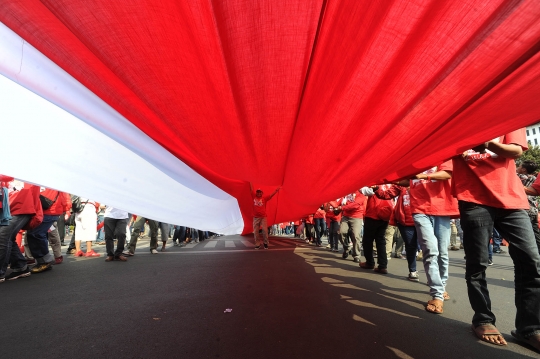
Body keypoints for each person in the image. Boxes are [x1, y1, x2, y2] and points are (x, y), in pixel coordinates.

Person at [452, 128, 540, 351]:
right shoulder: (456, 119)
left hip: (511, 200)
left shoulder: (506, 115)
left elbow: (515, 151)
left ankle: (529, 328)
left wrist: (488, 143)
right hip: (473, 199)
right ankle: (483, 319)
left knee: (531, 260)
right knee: (477, 263)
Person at [0, 176, 41, 281]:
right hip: (10, 208)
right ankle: (20, 266)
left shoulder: (23, 170)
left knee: (3, 237)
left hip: (21, 207)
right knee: (8, 238)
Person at [26, 187, 71, 273]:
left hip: (49, 211)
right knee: (36, 234)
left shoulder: (51, 181)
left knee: (38, 234)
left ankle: (46, 260)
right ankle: (44, 260)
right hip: (45, 211)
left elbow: (64, 197)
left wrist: (67, 210)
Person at [249, 183, 281, 249]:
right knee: (256, 231)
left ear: (262, 193)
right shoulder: (253, 196)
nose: (259, 193)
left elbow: (271, 195)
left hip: (263, 217)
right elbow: (251, 189)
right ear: (256, 193)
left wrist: (276, 190)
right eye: (257, 192)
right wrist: (250, 182)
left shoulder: (264, 198)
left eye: (260, 192)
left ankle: (265, 243)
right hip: (255, 217)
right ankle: (257, 244)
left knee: (264, 230)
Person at [338, 191, 367, 261]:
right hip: (345, 216)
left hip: (357, 216)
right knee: (341, 232)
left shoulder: (361, 193)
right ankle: (347, 248)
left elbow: (355, 205)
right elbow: (338, 203)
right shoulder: (346, 193)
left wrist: (342, 208)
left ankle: (356, 255)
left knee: (356, 235)